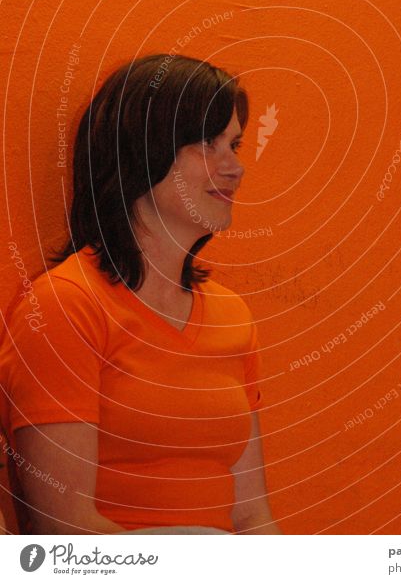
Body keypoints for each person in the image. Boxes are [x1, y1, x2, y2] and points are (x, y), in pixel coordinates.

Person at [0, 53, 281, 535]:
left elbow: (253, 517)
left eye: (234, 144)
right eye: (207, 144)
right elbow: (66, 530)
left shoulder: (232, 315)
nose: (235, 167)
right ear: (141, 150)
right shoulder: (66, 306)